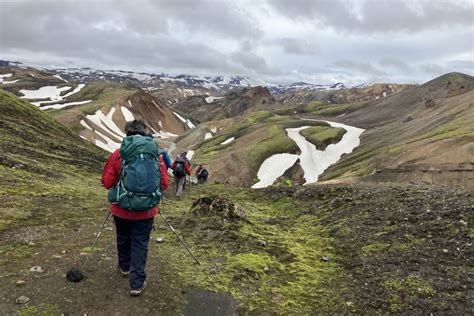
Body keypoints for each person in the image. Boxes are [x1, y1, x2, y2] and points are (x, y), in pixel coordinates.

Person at [102, 119, 169, 296]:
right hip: (146, 211)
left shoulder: (118, 154)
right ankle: (137, 283)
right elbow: (164, 183)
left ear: (127, 134)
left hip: (121, 209)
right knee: (140, 243)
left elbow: (107, 182)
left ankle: (124, 267)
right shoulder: (155, 156)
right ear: (145, 133)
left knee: (123, 237)